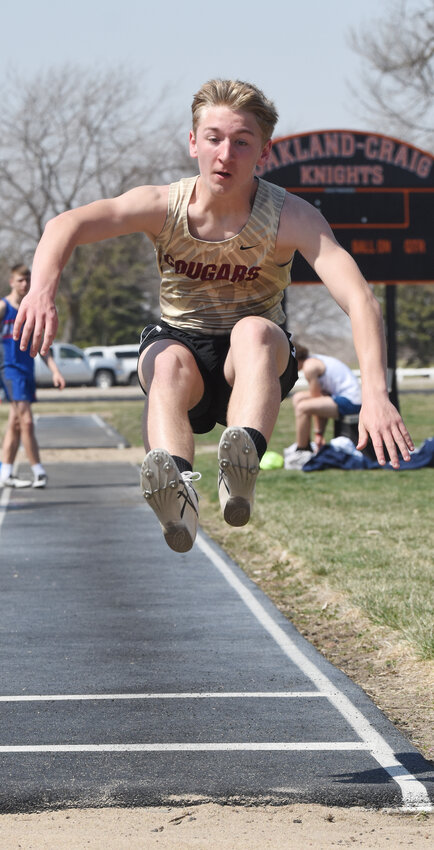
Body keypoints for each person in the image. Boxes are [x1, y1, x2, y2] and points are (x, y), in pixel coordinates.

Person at [13, 79, 414, 550]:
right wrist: (41, 290)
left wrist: (375, 394)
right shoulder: (164, 206)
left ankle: (239, 467)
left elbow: (360, 299)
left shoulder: (291, 217)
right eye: (214, 138)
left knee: (256, 332)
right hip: (182, 347)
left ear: (263, 153)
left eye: (242, 142)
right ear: (193, 143)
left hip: (252, 364)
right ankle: (174, 489)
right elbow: (66, 224)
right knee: (167, 361)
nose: (226, 154)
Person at [0, 264, 65, 489]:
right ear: (12, 282)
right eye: (20, 280)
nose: (25, 284)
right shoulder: (3, 307)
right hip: (10, 370)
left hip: (27, 372)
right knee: (26, 420)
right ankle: (38, 470)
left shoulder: (30, 310)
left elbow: (41, 344)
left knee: (15, 423)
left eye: (28, 280)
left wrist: (55, 371)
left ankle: (5, 471)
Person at [286, 343, 362, 468]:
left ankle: (302, 451)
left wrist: (319, 434)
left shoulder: (310, 367)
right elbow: (319, 400)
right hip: (340, 397)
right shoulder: (312, 359)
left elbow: (316, 403)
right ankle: (305, 445)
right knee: (298, 397)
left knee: (303, 407)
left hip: (352, 402)